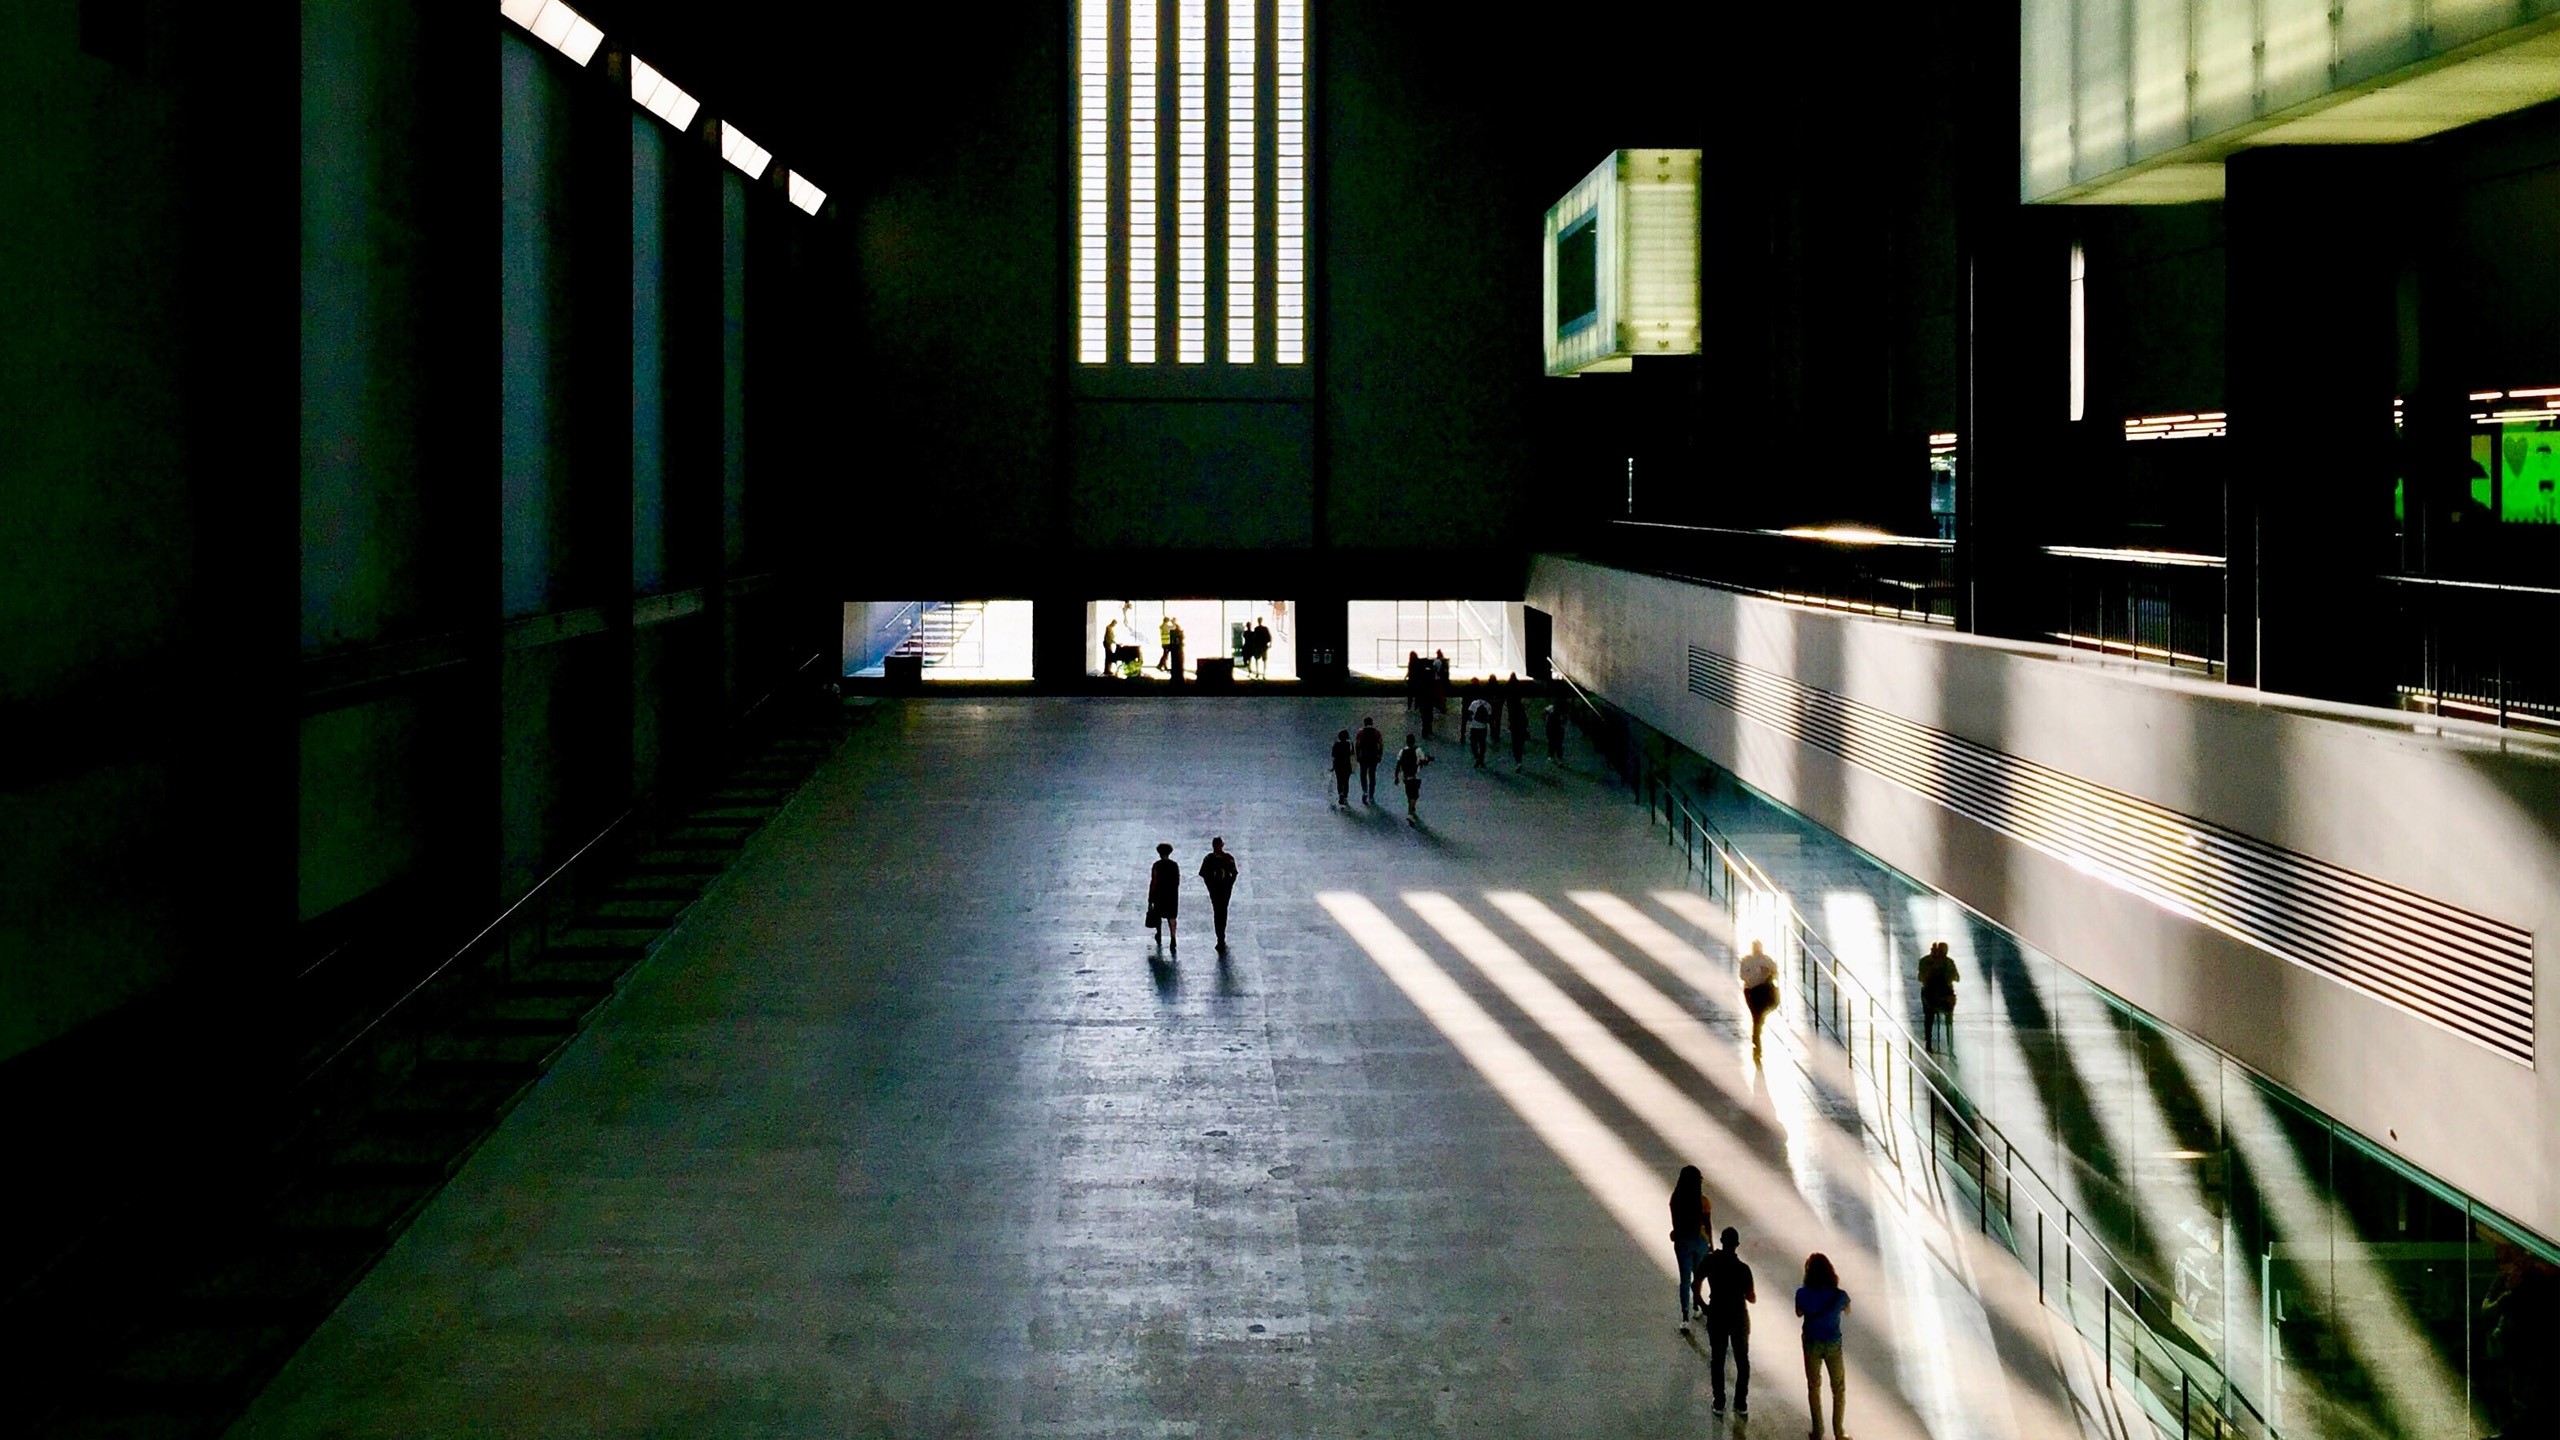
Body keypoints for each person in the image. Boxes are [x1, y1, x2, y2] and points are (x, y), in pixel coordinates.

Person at [1796, 1253, 1851, 1440]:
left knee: (1814, 1386)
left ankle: (1818, 1431)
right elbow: (1848, 1309)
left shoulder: (1802, 1293)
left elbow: (1798, 1312)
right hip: (1833, 1343)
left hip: (1811, 1342)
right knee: (1838, 1388)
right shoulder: (1839, 1295)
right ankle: (1839, 1432)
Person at [1703, 1226, 1757, 1414]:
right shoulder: (1743, 1269)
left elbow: (1696, 1282)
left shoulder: (1710, 1261)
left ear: (1722, 1241)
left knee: (1717, 1359)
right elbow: (1751, 1297)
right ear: (1737, 1245)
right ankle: (1740, 1403)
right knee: (1742, 1361)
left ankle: (1719, 1402)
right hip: (1737, 1317)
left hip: (1717, 1315)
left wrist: (1703, 1305)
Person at [1670, 1165, 1713, 1332]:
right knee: (1698, 1276)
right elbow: (1708, 1225)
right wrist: (1710, 1245)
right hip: (1700, 1241)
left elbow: (1675, 1223)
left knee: (1684, 1279)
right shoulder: (1703, 1201)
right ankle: (1697, 1306)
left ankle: (1684, 1316)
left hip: (1682, 1242)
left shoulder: (1675, 1199)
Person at [1739, 940, 1780, 1053]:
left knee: (1758, 1015)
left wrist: (1769, 973)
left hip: (1763, 991)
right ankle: (1756, 1036)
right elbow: (1742, 975)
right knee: (1756, 1014)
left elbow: (1776, 974)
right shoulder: (1746, 960)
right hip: (1751, 991)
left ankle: (1756, 1034)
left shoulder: (1767, 960)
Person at [1918, 940, 1960, 1049]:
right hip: (1930, 994)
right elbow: (1921, 978)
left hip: (1945, 995)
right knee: (1929, 1016)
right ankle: (1929, 1041)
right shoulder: (1925, 961)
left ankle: (1950, 1043)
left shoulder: (1949, 962)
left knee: (1949, 1008)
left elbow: (1957, 977)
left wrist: (1948, 976)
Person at [1198, 837, 1239, 948]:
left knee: (1218, 911)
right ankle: (1221, 935)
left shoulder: (1209, 859)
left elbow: (1204, 875)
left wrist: (1210, 886)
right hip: (1223, 889)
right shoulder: (1228, 858)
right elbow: (1234, 873)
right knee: (1222, 911)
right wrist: (1230, 884)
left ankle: (1220, 936)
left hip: (1216, 889)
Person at [1146, 842, 1182, 950]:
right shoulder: (1174, 865)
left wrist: (1150, 897)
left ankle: (1159, 934)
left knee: (1158, 915)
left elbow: (1154, 881)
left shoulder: (1156, 865)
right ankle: (1173, 937)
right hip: (1172, 893)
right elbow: (1177, 880)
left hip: (1159, 893)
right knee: (1172, 916)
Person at [1394, 734, 1433, 822]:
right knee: (1414, 795)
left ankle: (1412, 809)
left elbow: (1398, 765)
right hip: (1415, 776)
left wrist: (1396, 777)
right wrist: (1429, 759)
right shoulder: (1418, 750)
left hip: (1405, 777)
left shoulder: (1402, 751)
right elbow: (1423, 760)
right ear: (1414, 741)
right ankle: (1410, 813)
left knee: (1409, 794)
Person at [1354, 717, 1385, 803]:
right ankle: (1371, 795)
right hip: (1373, 756)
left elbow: (1357, 744)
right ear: (1372, 723)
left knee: (1363, 774)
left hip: (1363, 756)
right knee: (1372, 775)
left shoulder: (1361, 732)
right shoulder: (1376, 732)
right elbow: (1381, 744)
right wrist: (1380, 755)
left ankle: (1365, 791)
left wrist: (1358, 755)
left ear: (1364, 723)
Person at [1504, 678, 1528, 770]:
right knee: (1520, 743)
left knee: (1515, 744)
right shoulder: (1520, 708)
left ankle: (1518, 761)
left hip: (1515, 728)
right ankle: (1519, 759)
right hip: (1521, 728)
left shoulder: (1512, 710)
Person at [1465, 692, 1493, 768]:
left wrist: (1471, 721)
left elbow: (1469, 714)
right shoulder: (1488, 705)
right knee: (1482, 745)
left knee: (1473, 743)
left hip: (1474, 727)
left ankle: (1477, 757)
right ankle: (1481, 759)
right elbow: (1489, 717)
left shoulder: (1474, 703)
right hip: (1483, 728)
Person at [1330, 729, 1355, 805]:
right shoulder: (1348, 744)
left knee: (1339, 780)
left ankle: (1340, 793)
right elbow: (1352, 753)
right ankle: (1345, 796)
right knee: (1346, 781)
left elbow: (1333, 755)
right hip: (1347, 765)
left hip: (1338, 765)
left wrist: (1333, 767)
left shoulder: (1336, 744)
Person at [1545, 696, 1567, 761]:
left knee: (1557, 743)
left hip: (1556, 729)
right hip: (1552, 728)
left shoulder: (1561, 711)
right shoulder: (1551, 708)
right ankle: (1552, 755)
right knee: (1553, 743)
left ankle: (1556, 757)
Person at [1167, 618, 1186, 684]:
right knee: (1178, 664)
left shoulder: (1173, 631)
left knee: (1175, 664)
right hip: (1177, 649)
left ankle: (1176, 678)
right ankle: (1179, 678)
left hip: (1175, 649)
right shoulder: (1177, 631)